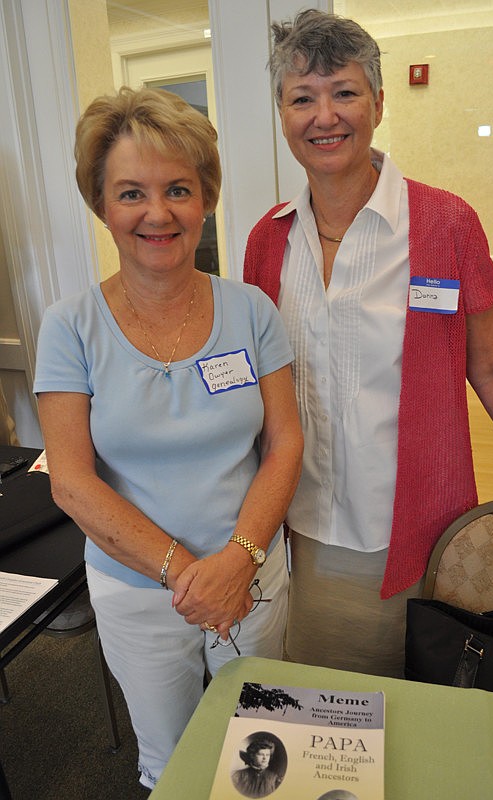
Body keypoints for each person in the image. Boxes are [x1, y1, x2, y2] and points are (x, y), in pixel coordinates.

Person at [243, 10, 493, 678]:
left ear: (378, 101)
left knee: (416, 697)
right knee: (322, 710)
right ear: (282, 113)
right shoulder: (268, 240)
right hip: (300, 534)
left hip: (415, 531)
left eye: (343, 92)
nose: (325, 116)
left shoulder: (444, 223)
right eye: (301, 97)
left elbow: (492, 365)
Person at [33, 86, 303, 790]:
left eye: (178, 188)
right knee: (173, 761)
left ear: (205, 197)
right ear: (101, 205)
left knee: (260, 744)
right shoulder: (70, 327)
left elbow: (283, 444)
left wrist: (238, 562)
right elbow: (72, 481)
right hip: (139, 592)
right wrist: (191, 576)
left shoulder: (250, 309)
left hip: (252, 577)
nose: (158, 213)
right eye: (131, 193)